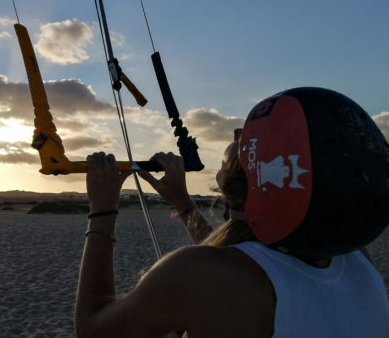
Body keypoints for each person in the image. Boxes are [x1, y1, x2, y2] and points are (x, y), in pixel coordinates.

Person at [75, 87, 389, 338]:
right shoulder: (358, 260)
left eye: (253, 139)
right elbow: (246, 256)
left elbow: (93, 332)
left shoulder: (197, 274)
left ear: (268, 180)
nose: (239, 132)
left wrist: (102, 208)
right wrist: (183, 204)